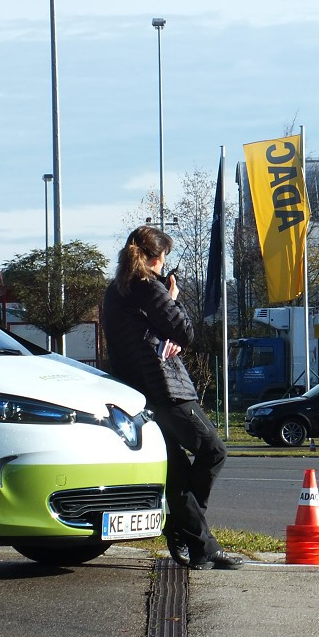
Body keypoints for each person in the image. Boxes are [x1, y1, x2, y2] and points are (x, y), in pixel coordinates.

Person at [102, 225, 243, 570]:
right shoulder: (148, 287)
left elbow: (143, 334)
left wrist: (161, 330)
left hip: (136, 393)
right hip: (166, 389)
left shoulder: (114, 292)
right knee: (214, 450)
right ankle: (184, 527)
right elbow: (185, 330)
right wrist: (173, 299)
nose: (164, 265)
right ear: (155, 258)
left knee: (177, 473)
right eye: (163, 258)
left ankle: (201, 548)